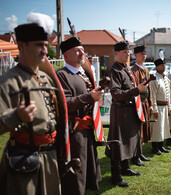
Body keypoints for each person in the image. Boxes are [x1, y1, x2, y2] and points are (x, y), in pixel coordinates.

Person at [0, 13, 66, 195]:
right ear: (21, 45)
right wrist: (16, 116)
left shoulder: (46, 78)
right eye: (39, 45)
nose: (45, 50)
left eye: (46, 45)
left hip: (50, 157)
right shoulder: (8, 81)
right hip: (24, 160)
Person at [56, 37, 104, 194]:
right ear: (66, 56)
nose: (81, 53)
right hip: (74, 133)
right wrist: (90, 97)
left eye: (82, 50)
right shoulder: (61, 75)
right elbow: (65, 104)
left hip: (88, 131)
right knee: (76, 176)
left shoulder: (85, 75)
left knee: (88, 174)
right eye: (77, 50)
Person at [105, 41, 147, 187]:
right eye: (125, 52)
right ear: (116, 54)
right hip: (120, 111)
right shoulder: (114, 70)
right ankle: (115, 176)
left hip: (129, 110)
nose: (128, 54)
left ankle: (126, 168)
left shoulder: (126, 68)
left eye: (129, 52)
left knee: (128, 141)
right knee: (118, 143)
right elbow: (116, 94)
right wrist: (137, 90)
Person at [131, 45, 153, 166]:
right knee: (138, 130)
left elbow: (149, 87)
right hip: (137, 103)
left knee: (144, 129)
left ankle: (140, 153)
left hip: (145, 103)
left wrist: (150, 103)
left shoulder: (146, 69)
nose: (144, 56)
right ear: (135, 55)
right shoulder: (133, 70)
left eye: (145, 54)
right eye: (141, 54)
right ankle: (135, 156)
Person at [150, 59, 171, 155]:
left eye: (164, 65)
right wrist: (155, 109)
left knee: (163, 128)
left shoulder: (165, 79)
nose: (163, 67)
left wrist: (169, 107)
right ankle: (155, 148)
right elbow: (153, 95)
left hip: (165, 106)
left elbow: (168, 94)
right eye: (161, 65)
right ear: (157, 67)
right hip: (158, 107)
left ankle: (161, 146)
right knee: (157, 129)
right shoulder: (154, 78)